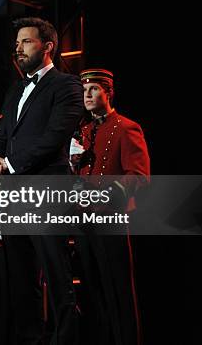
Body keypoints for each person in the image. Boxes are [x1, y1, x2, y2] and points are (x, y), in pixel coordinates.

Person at [0, 17, 83, 344]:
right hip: (15, 194)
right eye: (17, 42)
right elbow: (2, 134)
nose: (18, 48)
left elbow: (53, 138)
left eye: (27, 42)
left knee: (57, 276)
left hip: (48, 191)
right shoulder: (16, 89)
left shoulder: (66, 85)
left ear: (48, 46)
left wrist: (6, 162)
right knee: (21, 280)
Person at [71, 68, 150, 345]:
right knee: (91, 292)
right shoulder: (82, 132)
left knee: (118, 292)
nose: (88, 95)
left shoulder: (127, 127)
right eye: (84, 91)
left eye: (94, 90)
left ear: (108, 92)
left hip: (111, 219)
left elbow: (139, 175)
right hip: (83, 222)